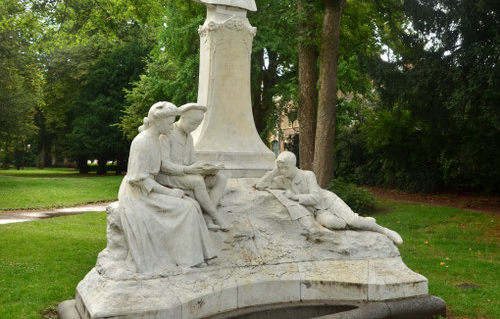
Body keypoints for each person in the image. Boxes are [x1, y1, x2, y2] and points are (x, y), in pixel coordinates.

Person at [118, 102, 217, 274]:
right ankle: (189, 260)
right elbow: (138, 179)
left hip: (150, 189)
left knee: (192, 205)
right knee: (186, 208)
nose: (172, 126)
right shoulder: (142, 141)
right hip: (139, 195)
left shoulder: (155, 140)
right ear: (158, 122)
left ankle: (196, 257)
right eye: (170, 123)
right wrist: (169, 192)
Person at [256, 151, 403, 245]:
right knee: (336, 224)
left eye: (285, 168)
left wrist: (295, 197)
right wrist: (275, 170)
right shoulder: (282, 179)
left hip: (328, 201)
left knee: (352, 220)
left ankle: (383, 231)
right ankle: (363, 222)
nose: (283, 171)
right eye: (280, 168)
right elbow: (260, 186)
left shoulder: (308, 175)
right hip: (317, 212)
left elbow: (315, 197)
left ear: (294, 165)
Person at [156, 103, 230, 231]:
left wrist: (205, 168)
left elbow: (191, 161)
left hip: (184, 174)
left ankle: (207, 217)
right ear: (183, 118)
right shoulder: (167, 134)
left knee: (221, 178)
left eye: (197, 125)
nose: (195, 127)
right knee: (197, 181)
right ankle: (215, 217)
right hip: (168, 176)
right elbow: (164, 165)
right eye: (193, 123)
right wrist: (188, 170)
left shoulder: (188, 137)